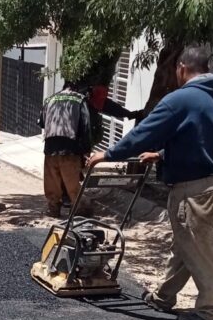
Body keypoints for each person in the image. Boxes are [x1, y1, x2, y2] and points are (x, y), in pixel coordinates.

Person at [86, 44, 213, 320]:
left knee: (198, 250)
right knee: (186, 245)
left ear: (181, 68)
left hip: (193, 189)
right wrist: (163, 155)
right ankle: (163, 297)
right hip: (212, 184)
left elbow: (145, 132)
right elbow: (203, 138)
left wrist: (109, 154)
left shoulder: (181, 99)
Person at [38, 82, 142, 218]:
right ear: (77, 89)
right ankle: (80, 211)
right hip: (70, 149)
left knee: (52, 183)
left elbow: (41, 122)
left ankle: (53, 210)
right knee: (73, 185)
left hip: (50, 148)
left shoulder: (50, 99)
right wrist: (86, 151)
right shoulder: (80, 100)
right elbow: (85, 127)